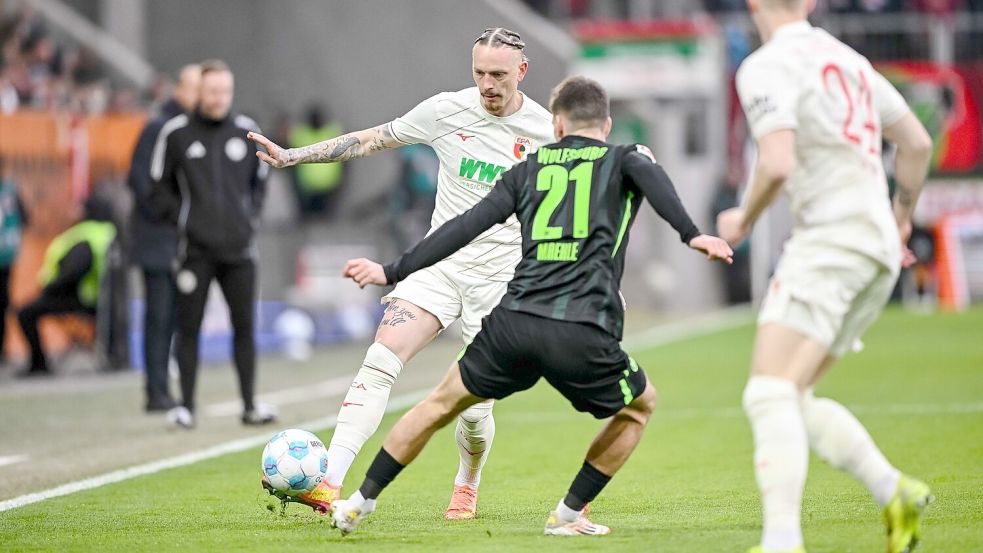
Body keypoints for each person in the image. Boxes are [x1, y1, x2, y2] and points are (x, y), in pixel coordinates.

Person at [331, 75, 734, 536]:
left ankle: (359, 502)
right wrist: (692, 234)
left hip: (513, 321)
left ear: (557, 124)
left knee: (439, 403)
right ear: (606, 123)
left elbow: (463, 227)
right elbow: (656, 184)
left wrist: (393, 269)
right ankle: (567, 514)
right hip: (581, 326)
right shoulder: (628, 159)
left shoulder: (527, 170)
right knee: (639, 407)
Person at [248, 28, 555, 519]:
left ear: (521, 71)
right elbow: (372, 139)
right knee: (379, 360)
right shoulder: (445, 110)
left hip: (499, 281)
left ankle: (466, 482)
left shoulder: (545, 130)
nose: (487, 85)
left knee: (475, 411)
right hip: (438, 266)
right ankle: (329, 484)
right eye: (479, 73)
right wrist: (293, 156)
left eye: (498, 75)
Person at [715, 1, 935, 552]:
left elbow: (778, 161)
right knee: (794, 395)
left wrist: (742, 218)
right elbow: (917, 143)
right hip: (877, 248)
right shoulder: (850, 60)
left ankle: (782, 543)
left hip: (830, 242)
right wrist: (902, 217)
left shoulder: (765, 65)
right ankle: (894, 491)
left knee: (767, 393)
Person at [149, 59, 275, 429]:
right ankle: (186, 405)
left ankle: (250, 405)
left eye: (225, 91)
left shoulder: (247, 132)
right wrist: (186, 221)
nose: (219, 98)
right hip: (196, 252)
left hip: (240, 251)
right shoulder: (176, 133)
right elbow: (158, 187)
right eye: (212, 91)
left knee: (245, 327)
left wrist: (248, 219)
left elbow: (261, 180)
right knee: (187, 328)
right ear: (199, 93)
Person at [127, 63, 200, 412]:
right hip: (158, 239)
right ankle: (155, 390)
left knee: (173, 317)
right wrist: (176, 216)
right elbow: (142, 182)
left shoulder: (187, 128)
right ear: (180, 90)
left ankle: (167, 387)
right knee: (158, 315)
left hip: (178, 241)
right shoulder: (159, 127)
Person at [16, 197, 115, 378]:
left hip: (80, 299)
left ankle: (38, 364)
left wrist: (50, 289)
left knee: (24, 312)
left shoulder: (85, 235)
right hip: (106, 304)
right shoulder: (108, 233)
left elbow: (73, 272)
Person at [288, 103, 345, 215]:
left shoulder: (301, 134)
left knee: (320, 214)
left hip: (325, 185)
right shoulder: (332, 133)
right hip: (312, 185)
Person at [0, 169, 27, 367]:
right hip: (7, 254)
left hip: (5, 256)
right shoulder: (10, 189)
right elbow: (25, 218)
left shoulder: (9, 190)